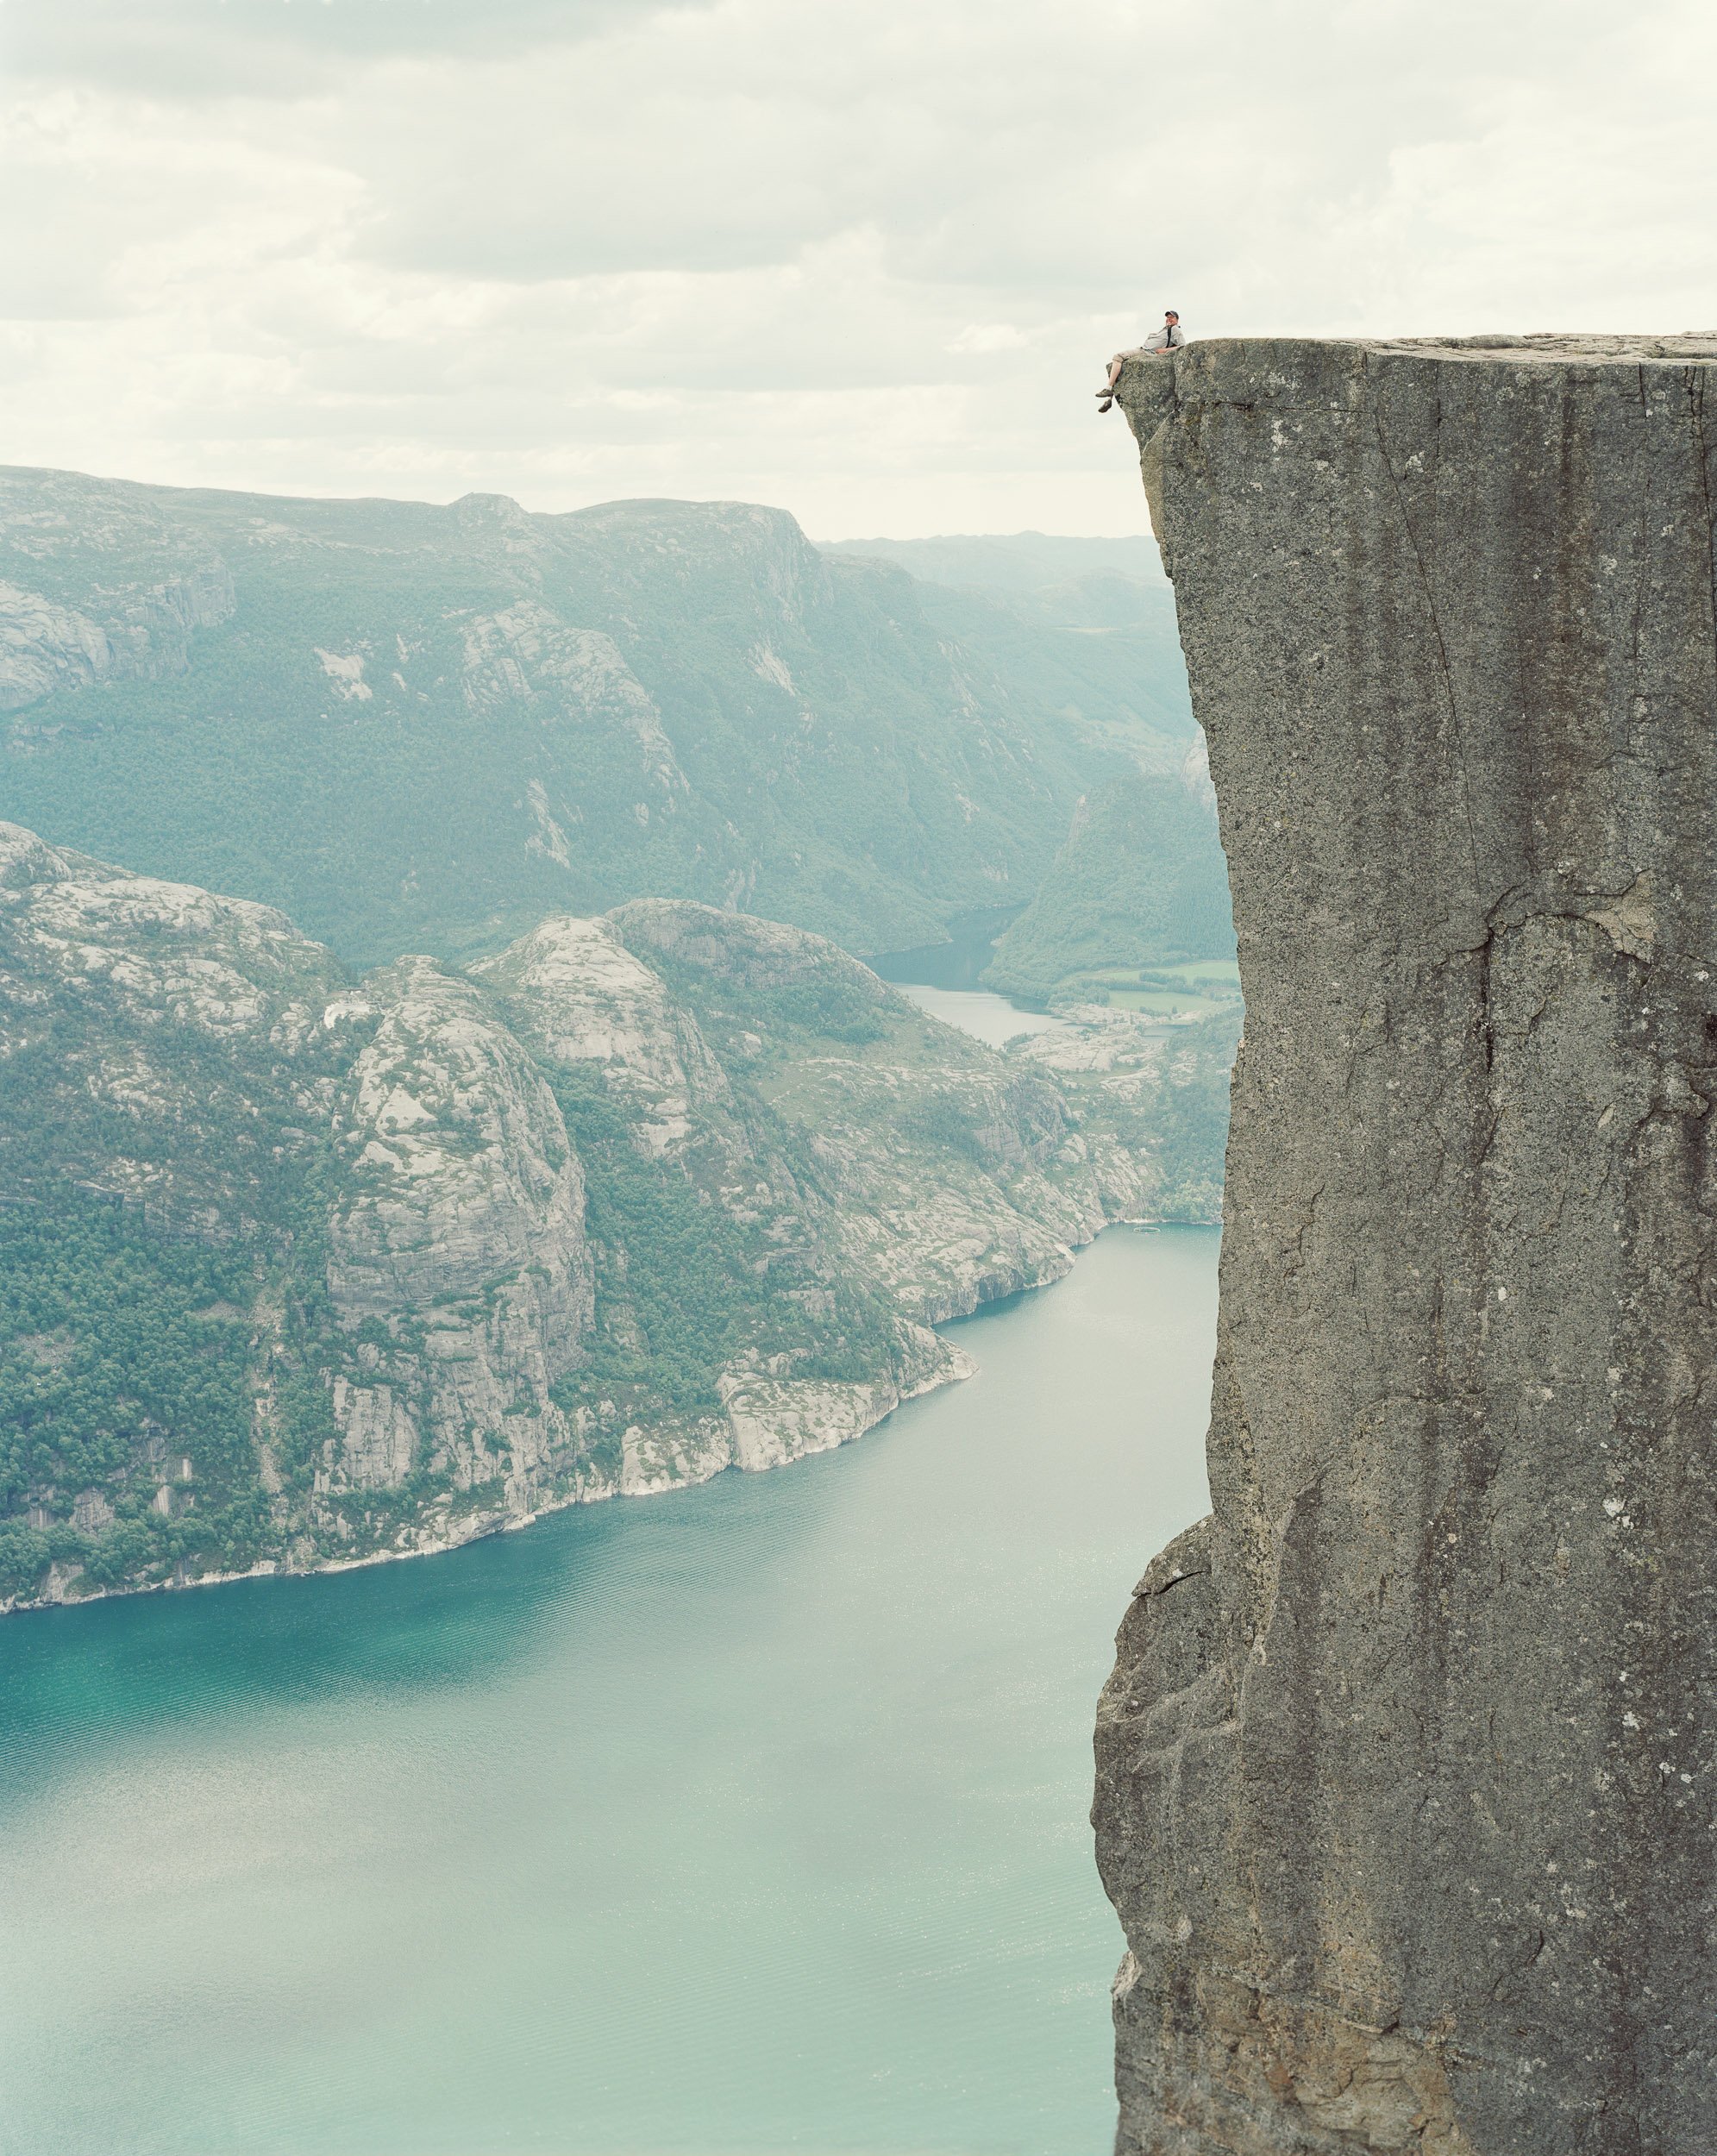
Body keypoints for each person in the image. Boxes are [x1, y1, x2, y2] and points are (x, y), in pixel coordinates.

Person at [1096, 311, 1182, 411]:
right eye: (1167, 317)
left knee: (1118, 357)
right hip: (1143, 350)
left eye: (1172, 317)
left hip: (1146, 352)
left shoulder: (1175, 329)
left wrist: (1163, 350)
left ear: (1177, 320)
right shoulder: (1166, 329)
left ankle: (1108, 389)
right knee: (1119, 368)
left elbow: (1182, 346)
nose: (1169, 319)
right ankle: (1108, 398)